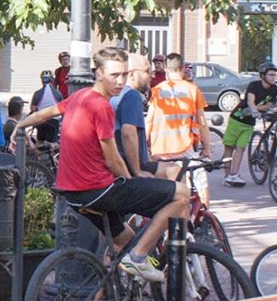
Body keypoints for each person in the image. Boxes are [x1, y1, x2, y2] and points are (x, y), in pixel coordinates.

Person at [10, 47, 189, 282]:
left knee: (123, 237)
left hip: (74, 195)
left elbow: (46, 113)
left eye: (124, 75)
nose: (120, 81)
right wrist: (132, 181)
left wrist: (19, 125)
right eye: (114, 75)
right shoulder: (101, 106)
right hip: (98, 190)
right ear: (99, 75)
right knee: (181, 195)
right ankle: (138, 258)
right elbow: (113, 159)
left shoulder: (79, 97)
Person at [146, 53, 212, 204]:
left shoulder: (157, 90)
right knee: (200, 181)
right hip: (184, 147)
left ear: (167, 70)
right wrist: (207, 148)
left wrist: (145, 147)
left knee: (164, 187)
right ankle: (204, 219)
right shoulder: (192, 89)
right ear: (182, 68)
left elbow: (149, 121)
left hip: (160, 149)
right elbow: (202, 122)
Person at [222, 61, 277, 186]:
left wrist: (263, 109)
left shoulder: (274, 89)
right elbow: (250, 101)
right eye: (271, 75)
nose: (274, 78)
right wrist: (255, 110)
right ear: (263, 76)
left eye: (275, 75)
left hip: (249, 123)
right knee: (229, 147)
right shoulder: (254, 85)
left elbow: (269, 105)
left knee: (241, 148)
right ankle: (226, 176)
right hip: (237, 119)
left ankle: (234, 175)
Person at [111, 53, 161, 178]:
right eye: (147, 71)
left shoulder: (114, 94)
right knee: (175, 173)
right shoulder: (132, 96)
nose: (152, 75)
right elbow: (128, 134)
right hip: (127, 168)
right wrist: (137, 171)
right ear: (132, 74)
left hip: (117, 166)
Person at [29, 69, 63, 143]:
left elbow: (32, 108)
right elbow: (62, 108)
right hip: (54, 121)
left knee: (39, 142)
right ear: (52, 80)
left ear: (42, 81)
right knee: (52, 143)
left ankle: (39, 153)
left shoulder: (37, 93)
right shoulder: (58, 93)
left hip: (41, 120)